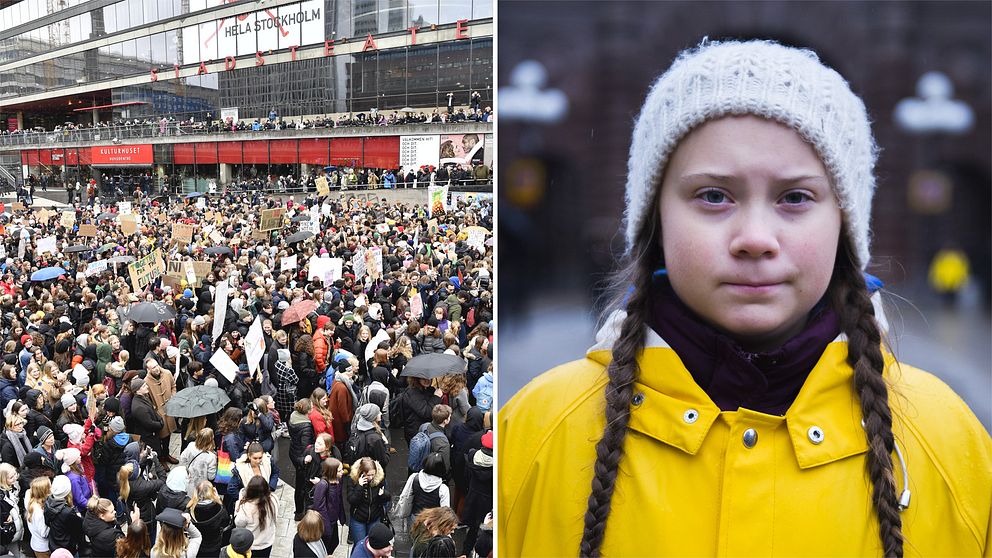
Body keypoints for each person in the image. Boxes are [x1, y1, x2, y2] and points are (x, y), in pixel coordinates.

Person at [498, 39, 992, 557]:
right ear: (656, 220)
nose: (755, 237)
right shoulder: (537, 431)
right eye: (714, 195)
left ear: (844, 223)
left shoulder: (947, 442)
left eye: (795, 197)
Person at [346, 457, 391, 549]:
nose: (371, 477)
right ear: (362, 472)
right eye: (368, 475)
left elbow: (388, 497)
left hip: (374, 518)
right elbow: (351, 500)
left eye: (373, 474)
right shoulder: (353, 480)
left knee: (373, 545)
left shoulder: (379, 479)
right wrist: (359, 486)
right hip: (358, 519)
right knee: (360, 546)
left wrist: (383, 494)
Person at [233, 476, 277, 557]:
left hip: (251, 546)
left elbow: (238, 524)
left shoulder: (246, 508)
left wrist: (238, 504)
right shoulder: (273, 500)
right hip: (267, 542)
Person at [309, 458, 345, 554]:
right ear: (332, 472)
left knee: (334, 543)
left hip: (333, 520)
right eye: (339, 470)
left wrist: (342, 516)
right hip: (326, 523)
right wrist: (327, 527)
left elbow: (339, 499)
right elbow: (319, 507)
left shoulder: (338, 481)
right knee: (324, 547)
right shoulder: (322, 485)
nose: (343, 472)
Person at [287, 398, 316, 520]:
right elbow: (306, 446)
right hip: (302, 458)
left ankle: (299, 510)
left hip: (293, 451)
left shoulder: (293, 416)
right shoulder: (306, 427)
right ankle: (300, 512)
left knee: (300, 485)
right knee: (302, 486)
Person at [186, 480, 229, 558]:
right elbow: (226, 521)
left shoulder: (190, 509)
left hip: (198, 545)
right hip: (214, 545)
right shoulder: (219, 508)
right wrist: (218, 498)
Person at [43, 475, 84, 556]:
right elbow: (79, 528)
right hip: (67, 548)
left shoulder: (48, 501)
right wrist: (78, 516)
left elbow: (47, 522)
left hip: (54, 544)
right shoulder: (67, 512)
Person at [178, 428, 217, 498]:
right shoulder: (211, 456)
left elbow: (182, 459)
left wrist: (189, 468)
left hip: (189, 480)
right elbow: (211, 476)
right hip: (202, 486)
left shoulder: (191, 445)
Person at [0, 463, 23, 558]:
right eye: (11, 477)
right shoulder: (1, 497)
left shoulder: (14, 486)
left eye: (15, 474)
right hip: (9, 536)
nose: (15, 478)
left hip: (16, 530)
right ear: (3, 480)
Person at [26, 476, 51, 558]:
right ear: (44, 491)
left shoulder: (32, 502)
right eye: (50, 487)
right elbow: (44, 533)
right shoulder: (38, 512)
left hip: (37, 543)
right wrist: (52, 520)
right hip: (43, 548)